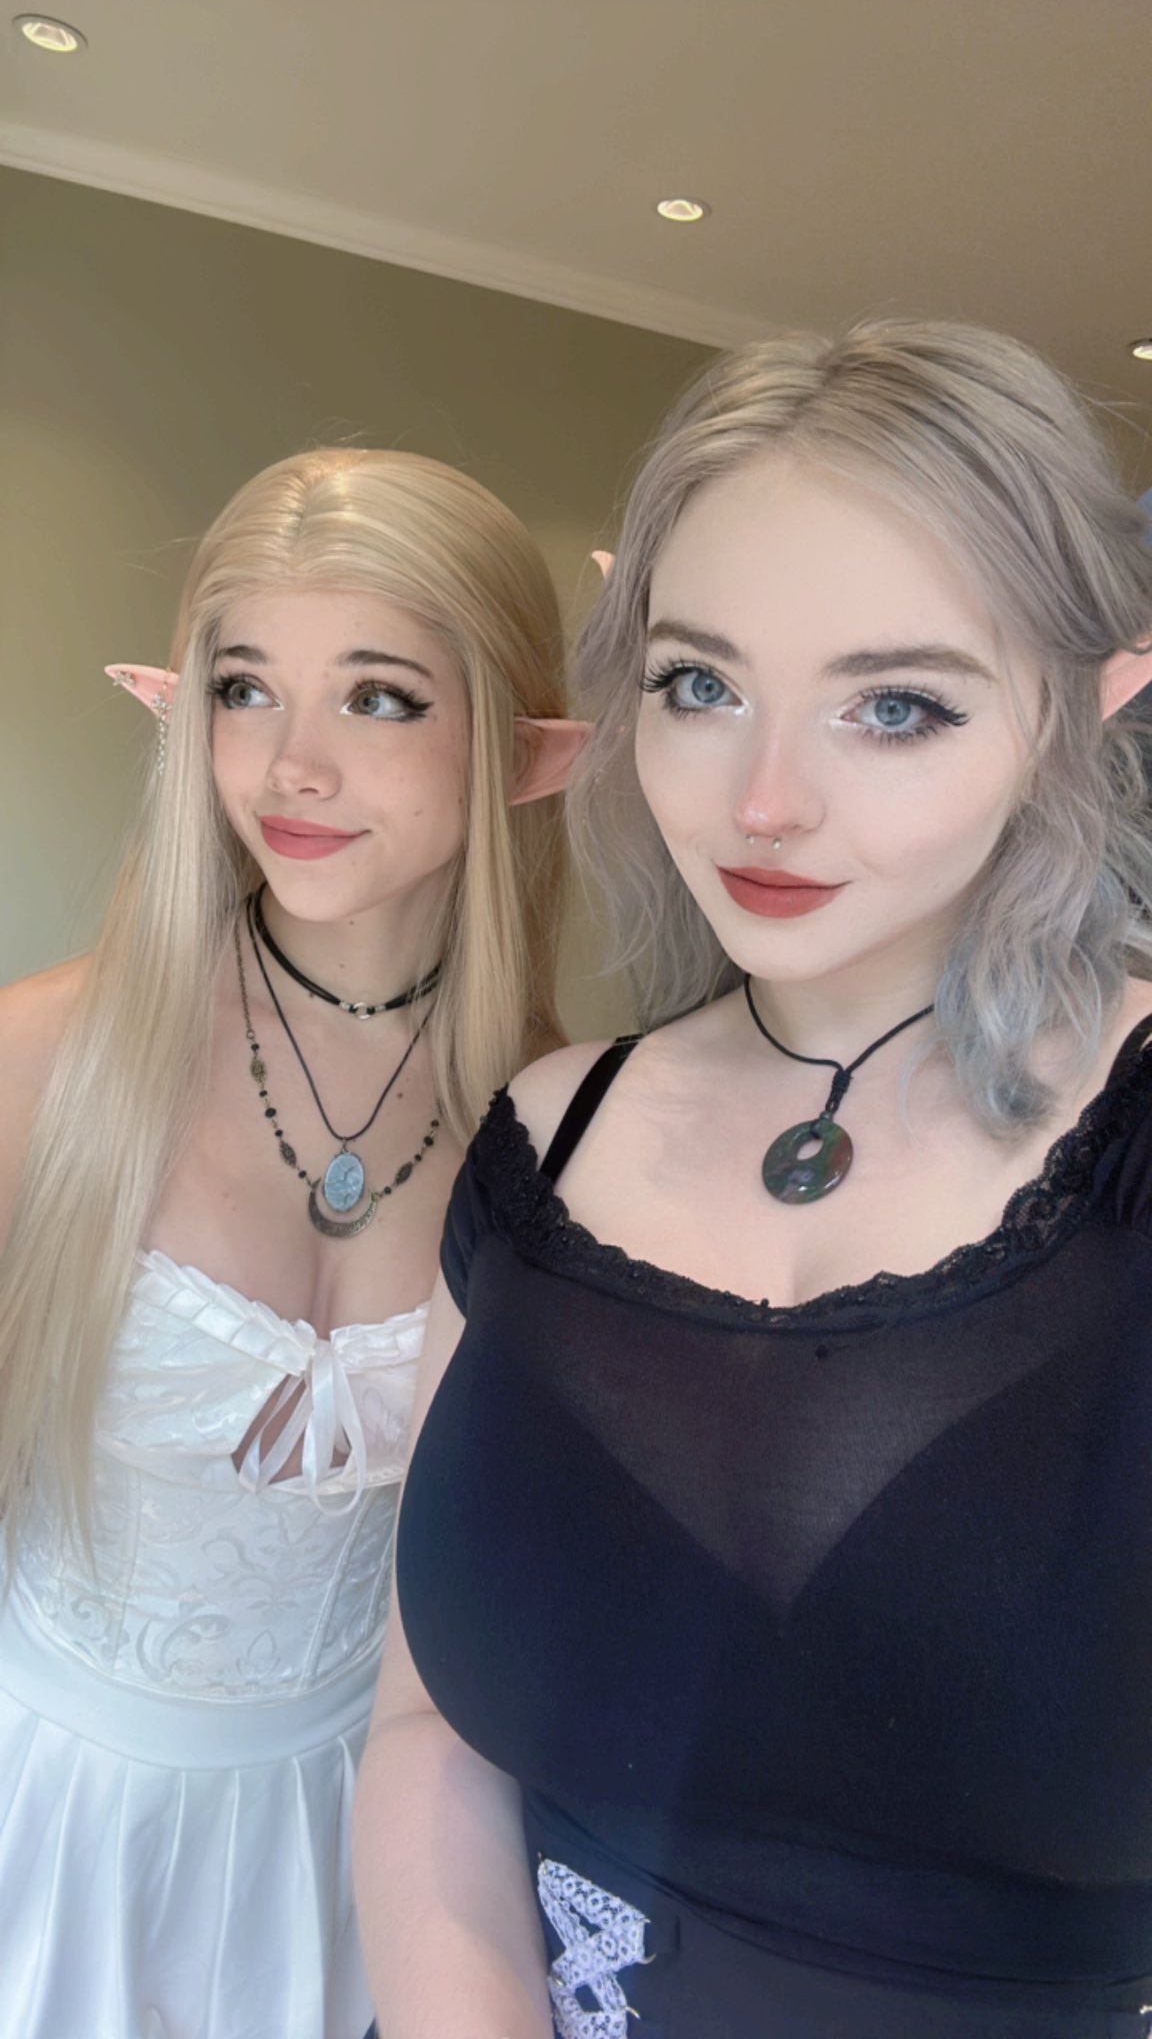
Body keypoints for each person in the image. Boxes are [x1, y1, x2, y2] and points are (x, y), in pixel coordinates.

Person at [355, 323, 1152, 2038]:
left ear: (1089, 704)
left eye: (896, 706)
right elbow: (428, 1730)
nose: (764, 801)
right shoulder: (546, 1135)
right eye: (701, 686)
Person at [0, 447, 586, 2039]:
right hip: (42, 1826)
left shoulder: (561, 1140)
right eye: (245, 689)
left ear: (525, 752)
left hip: (363, 1862)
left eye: (379, 698)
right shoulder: (46, 1062)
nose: (291, 767)